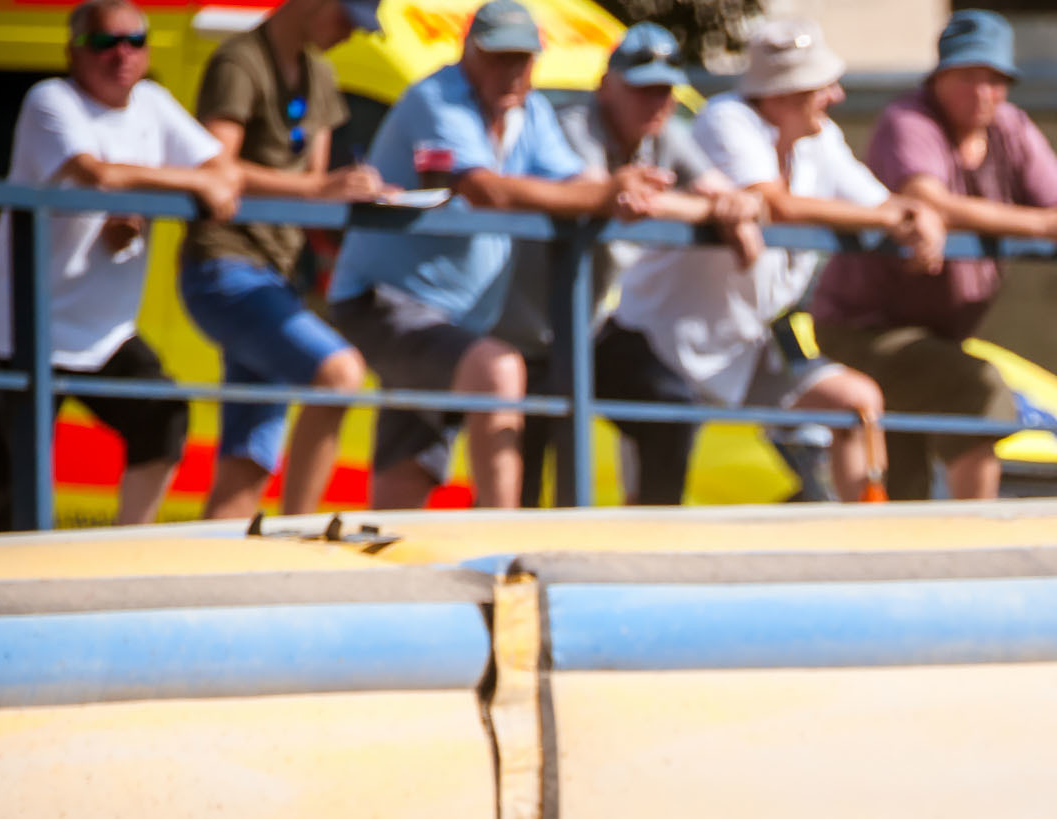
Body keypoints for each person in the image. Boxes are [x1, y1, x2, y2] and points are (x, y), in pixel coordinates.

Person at [324, 0, 666, 510]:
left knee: (411, 470)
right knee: (500, 369)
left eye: (522, 58)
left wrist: (617, 189)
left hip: (454, 318)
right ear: (469, 52)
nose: (512, 70)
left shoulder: (532, 111)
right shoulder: (436, 98)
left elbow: (575, 179)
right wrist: (606, 193)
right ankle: (503, 544)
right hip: (384, 301)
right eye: (499, 57)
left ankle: (394, 580)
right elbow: (487, 190)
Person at [614, 18, 943, 503]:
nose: (836, 96)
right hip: (661, 343)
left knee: (858, 404)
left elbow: (878, 206)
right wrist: (895, 218)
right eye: (822, 86)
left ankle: (862, 546)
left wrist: (917, 215)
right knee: (655, 497)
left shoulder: (819, 137)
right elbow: (776, 203)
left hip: (743, 342)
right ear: (785, 94)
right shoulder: (727, 120)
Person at [811, 9, 1057, 502]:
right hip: (860, 328)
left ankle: (904, 561)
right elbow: (928, 199)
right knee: (978, 391)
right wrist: (1050, 224)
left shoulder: (1011, 127)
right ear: (938, 78)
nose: (983, 93)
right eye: (969, 78)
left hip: (933, 336)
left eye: (995, 80)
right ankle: (976, 539)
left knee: (905, 471)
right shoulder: (906, 120)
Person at [0, 0, 241, 532]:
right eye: (105, 43)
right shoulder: (50, 99)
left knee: (163, 420)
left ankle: (124, 553)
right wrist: (184, 185)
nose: (122, 54)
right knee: (5, 509)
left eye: (135, 41)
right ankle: (0, 606)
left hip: (103, 333)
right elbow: (99, 174)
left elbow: (218, 167)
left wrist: (170, 192)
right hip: (19, 333)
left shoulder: (153, 102)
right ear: (73, 51)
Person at [514, 22, 764, 506]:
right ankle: (502, 566)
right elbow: (602, 196)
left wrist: (727, 208)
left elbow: (729, 196)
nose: (657, 102)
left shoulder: (666, 134)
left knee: (670, 408)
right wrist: (710, 207)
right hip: (524, 332)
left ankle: (652, 545)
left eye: (665, 90)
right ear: (606, 87)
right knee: (525, 466)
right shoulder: (574, 125)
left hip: (586, 327)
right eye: (642, 88)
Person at [179, 0, 387, 519]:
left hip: (275, 276)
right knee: (340, 374)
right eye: (346, 21)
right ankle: (303, 534)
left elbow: (311, 188)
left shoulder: (320, 72)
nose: (350, 36)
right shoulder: (240, 60)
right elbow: (216, 163)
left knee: (247, 464)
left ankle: (212, 580)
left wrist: (360, 189)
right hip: (224, 267)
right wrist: (321, 186)